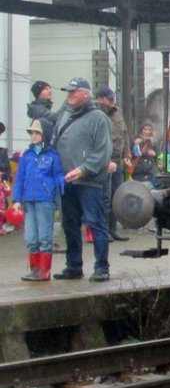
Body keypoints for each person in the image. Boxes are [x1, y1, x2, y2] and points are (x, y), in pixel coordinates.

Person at [49, 78, 112, 282]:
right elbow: (54, 143)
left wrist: (84, 169)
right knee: (69, 225)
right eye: (68, 92)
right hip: (67, 182)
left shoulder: (98, 118)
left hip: (89, 182)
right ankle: (74, 266)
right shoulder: (64, 115)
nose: (69, 95)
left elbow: (103, 152)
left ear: (86, 94)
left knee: (95, 223)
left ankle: (102, 267)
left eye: (73, 92)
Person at [12, 118, 64, 281]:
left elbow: (58, 175)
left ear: (45, 134)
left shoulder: (53, 156)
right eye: (32, 133)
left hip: (45, 200)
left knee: (44, 236)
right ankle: (35, 269)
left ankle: (44, 271)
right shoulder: (26, 156)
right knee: (30, 237)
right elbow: (19, 178)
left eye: (37, 132)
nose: (33, 136)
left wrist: (60, 185)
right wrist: (16, 200)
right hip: (29, 200)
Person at [95, 86, 129, 241]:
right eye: (109, 99)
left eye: (113, 98)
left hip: (118, 161)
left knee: (117, 196)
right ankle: (104, 231)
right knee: (105, 198)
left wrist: (126, 153)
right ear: (101, 99)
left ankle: (113, 229)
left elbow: (125, 133)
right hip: (104, 162)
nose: (112, 101)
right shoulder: (96, 115)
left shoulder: (118, 112)